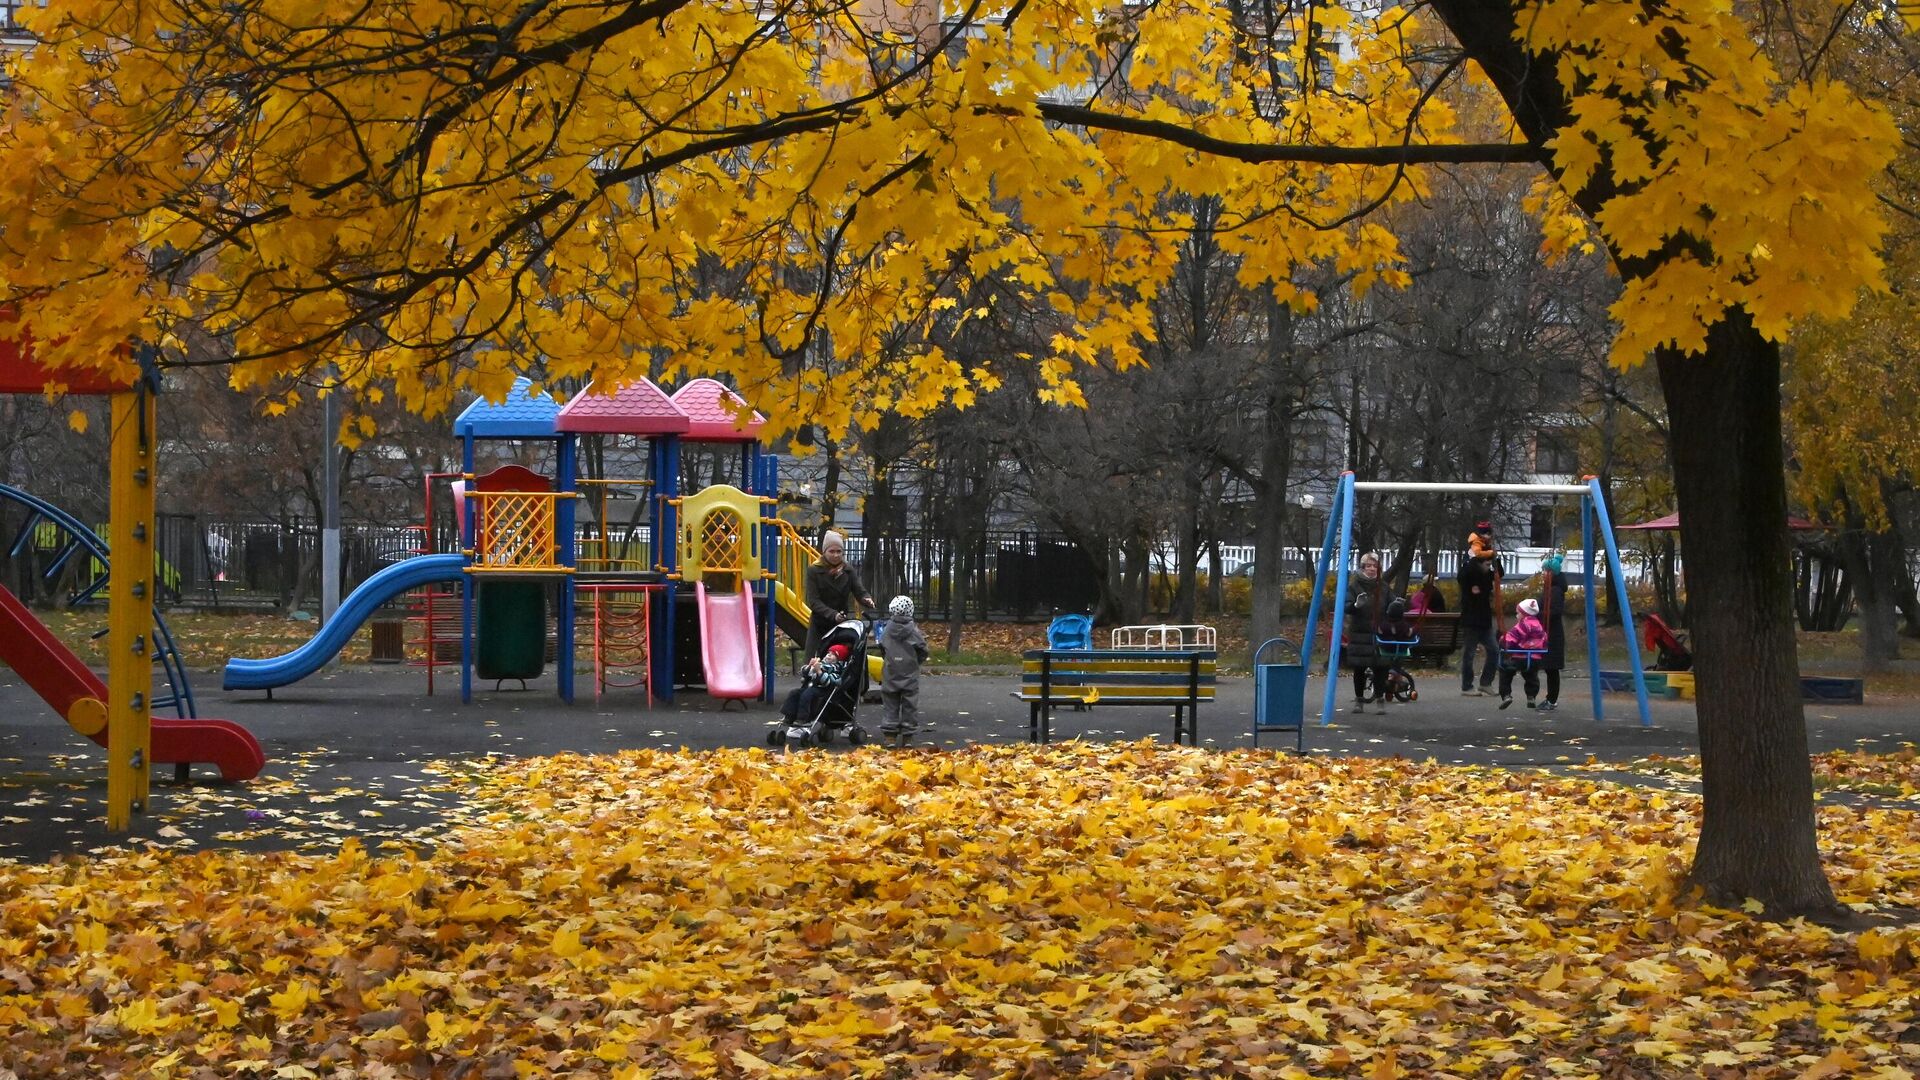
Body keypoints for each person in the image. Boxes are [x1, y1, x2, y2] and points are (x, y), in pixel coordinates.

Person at [804, 530, 873, 657]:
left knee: (841, 662)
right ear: (824, 552)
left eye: (839, 551)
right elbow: (814, 602)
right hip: (819, 624)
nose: (835, 555)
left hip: (840, 625)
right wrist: (833, 614)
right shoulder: (814, 570)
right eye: (832, 551)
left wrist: (866, 599)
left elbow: (859, 590)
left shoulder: (848, 570)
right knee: (813, 665)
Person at [878, 595, 930, 746]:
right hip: (910, 674)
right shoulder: (914, 631)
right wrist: (916, 662)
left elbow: (882, 646)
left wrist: (888, 660)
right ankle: (908, 736)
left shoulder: (887, 630)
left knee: (890, 704)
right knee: (910, 705)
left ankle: (890, 736)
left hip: (891, 673)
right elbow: (923, 649)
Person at [1457, 522, 1502, 695]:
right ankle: (1467, 686)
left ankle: (1485, 682)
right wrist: (1476, 558)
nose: (1488, 566)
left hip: (1483, 619)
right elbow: (1463, 575)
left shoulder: (1486, 574)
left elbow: (1500, 573)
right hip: (1471, 619)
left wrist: (1494, 559)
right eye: (1486, 564)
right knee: (1469, 654)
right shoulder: (1470, 571)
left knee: (1494, 651)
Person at [1343, 552, 1389, 713]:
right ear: (1362, 568)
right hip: (1360, 632)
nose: (1371, 569)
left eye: (1374, 566)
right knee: (1359, 667)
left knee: (1381, 667)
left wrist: (1396, 606)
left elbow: (1390, 604)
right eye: (1368, 566)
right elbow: (1346, 605)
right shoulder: (1354, 586)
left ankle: (1380, 698)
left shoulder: (1383, 586)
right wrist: (1355, 605)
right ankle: (1359, 699)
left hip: (1379, 632)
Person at [779, 643, 853, 726]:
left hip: (825, 690)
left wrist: (819, 672)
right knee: (794, 692)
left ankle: (803, 718)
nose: (829, 655)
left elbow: (828, 682)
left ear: (839, 659)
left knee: (807, 694)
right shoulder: (821, 664)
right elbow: (805, 674)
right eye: (828, 653)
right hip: (813, 687)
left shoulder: (836, 670)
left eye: (833, 655)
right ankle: (789, 716)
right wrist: (809, 666)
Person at [1498, 598, 1547, 709]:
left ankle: (1506, 695)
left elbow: (1512, 638)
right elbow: (1545, 639)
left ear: (1524, 614)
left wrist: (1503, 640)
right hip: (1535, 660)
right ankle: (1531, 696)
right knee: (1532, 676)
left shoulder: (1523, 624)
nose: (1516, 615)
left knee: (1506, 671)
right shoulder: (1539, 625)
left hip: (1521, 658)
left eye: (1518, 613)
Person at [1537, 553, 1570, 711]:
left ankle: (1551, 699)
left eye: (1545, 570)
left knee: (1552, 668)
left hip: (1552, 634)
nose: (1543, 573)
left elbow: (1555, 611)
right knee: (1550, 667)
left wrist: (1538, 614)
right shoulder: (1551, 588)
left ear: (1552, 572)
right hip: (1549, 632)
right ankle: (1550, 698)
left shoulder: (1555, 590)